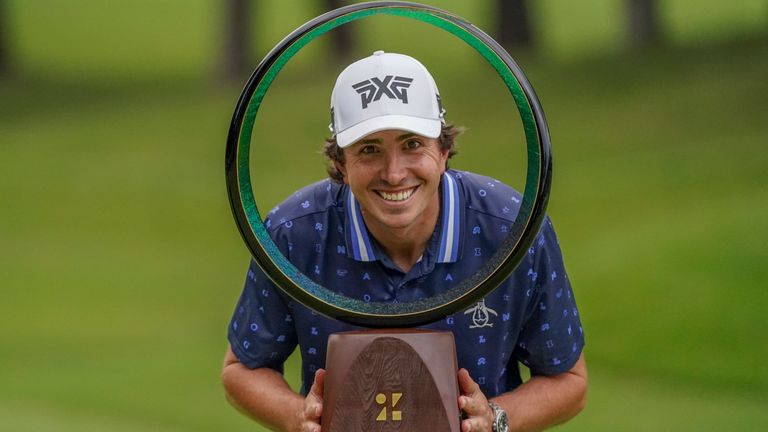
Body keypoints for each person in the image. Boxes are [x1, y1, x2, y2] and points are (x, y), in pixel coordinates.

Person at [222, 51, 587, 432]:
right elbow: (242, 369)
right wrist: (297, 416)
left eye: (412, 144)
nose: (394, 173)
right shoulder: (293, 233)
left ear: (443, 151)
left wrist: (495, 417)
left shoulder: (514, 230)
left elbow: (569, 381)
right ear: (341, 164)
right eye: (369, 149)